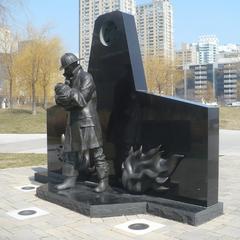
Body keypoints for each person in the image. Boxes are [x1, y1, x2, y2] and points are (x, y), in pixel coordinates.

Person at [55, 53, 109, 193]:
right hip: (73, 121)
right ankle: (70, 179)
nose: (64, 72)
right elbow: (62, 102)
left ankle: (104, 181)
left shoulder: (86, 77)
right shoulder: (69, 81)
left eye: (65, 69)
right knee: (70, 153)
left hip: (88, 121)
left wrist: (66, 91)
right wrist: (64, 93)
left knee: (97, 153)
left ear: (71, 66)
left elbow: (81, 99)